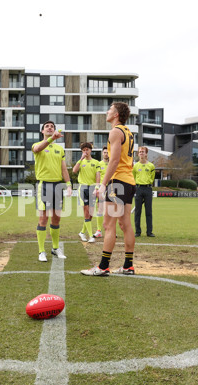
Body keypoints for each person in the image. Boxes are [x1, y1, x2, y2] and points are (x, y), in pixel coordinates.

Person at [81, 102, 136, 276]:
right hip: (128, 181)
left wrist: (103, 184)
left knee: (108, 224)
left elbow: (114, 160)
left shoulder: (115, 131)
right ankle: (128, 265)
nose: (107, 111)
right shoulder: (128, 132)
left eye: (110, 109)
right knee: (125, 223)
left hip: (117, 182)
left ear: (117, 114)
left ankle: (103, 266)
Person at [32, 121, 72, 262]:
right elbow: (37, 149)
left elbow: (64, 168)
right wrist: (51, 139)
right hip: (43, 184)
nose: (50, 128)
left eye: (52, 127)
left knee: (56, 218)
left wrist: (68, 184)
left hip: (57, 185)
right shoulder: (37, 145)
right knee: (43, 218)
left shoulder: (59, 149)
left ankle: (55, 248)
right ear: (42, 131)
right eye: (47, 127)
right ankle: (41, 251)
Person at [73, 142, 99, 243]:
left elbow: (97, 176)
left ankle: (82, 232)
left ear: (91, 150)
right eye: (83, 150)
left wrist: (97, 187)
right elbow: (74, 171)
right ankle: (90, 236)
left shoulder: (96, 162)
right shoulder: (80, 162)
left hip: (92, 188)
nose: (85, 152)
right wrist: (80, 159)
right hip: (83, 188)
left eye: (87, 150)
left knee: (91, 213)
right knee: (87, 212)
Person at [133, 146, 156, 237]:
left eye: (143, 152)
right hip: (138, 189)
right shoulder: (135, 166)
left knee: (148, 211)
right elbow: (133, 177)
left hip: (148, 189)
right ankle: (137, 231)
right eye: (140, 152)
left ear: (146, 153)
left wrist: (148, 184)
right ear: (138, 154)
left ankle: (149, 232)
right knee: (138, 211)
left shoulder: (151, 166)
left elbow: (152, 177)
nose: (141, 153)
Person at [93, 146, 109, 238]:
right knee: (100, 209)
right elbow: (97, 177)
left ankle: (111, 230)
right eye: (105, 152)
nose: (106, 154)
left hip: (111, 188)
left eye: (107, 152)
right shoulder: (99, 164)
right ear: (102, 153)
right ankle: (99, 230)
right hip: (102, 189)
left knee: (110, 210)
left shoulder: (112, 164)